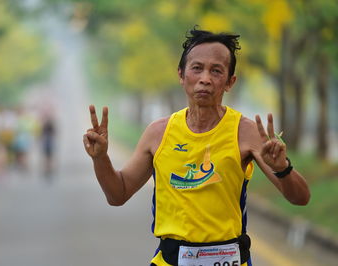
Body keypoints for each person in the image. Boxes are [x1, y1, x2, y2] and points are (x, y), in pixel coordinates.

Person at [83, 28, 310, 266]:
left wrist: (282, 168)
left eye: (216, 71)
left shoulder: (246, 132)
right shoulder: (158, 133)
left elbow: (300, 198)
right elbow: (117, 194)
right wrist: (100, 158)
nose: (205, 78)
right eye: (197, 68)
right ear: (181, 75)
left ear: (230, 82)